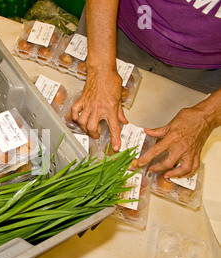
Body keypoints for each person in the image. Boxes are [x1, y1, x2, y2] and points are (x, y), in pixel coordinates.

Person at [71, 0, 221, 179]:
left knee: (165, 153)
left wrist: (208, 116)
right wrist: (100, 68)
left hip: (203, 68)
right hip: (115, 26)